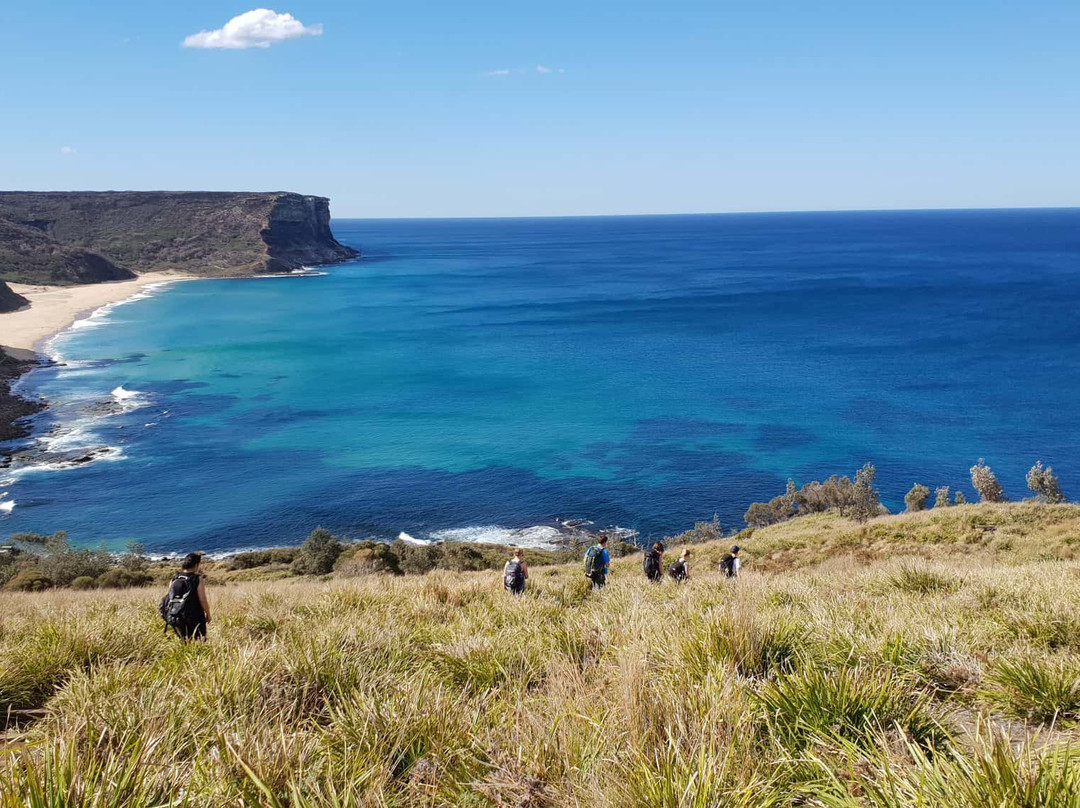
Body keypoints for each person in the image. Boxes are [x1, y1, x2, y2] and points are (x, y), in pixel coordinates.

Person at [160, 552, 211, 641]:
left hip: (177, 615)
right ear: (196, 565)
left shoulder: (175, 577)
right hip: (195, 615)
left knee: (183, 640)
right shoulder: (197, 578)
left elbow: (170, 595)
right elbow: (202, 599)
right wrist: (208, 614)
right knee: (199, 640)